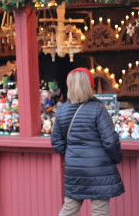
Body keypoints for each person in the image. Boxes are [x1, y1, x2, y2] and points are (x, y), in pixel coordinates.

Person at [51, 67, 124, 216]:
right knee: (99, 212)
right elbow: (110, 141)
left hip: (75, 168)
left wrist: (73, 153)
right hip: (99, 169)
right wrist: (117, 158)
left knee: (69, 210)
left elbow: (56, 142)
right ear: (89, 86)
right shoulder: (98, 109)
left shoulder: (61, 111)